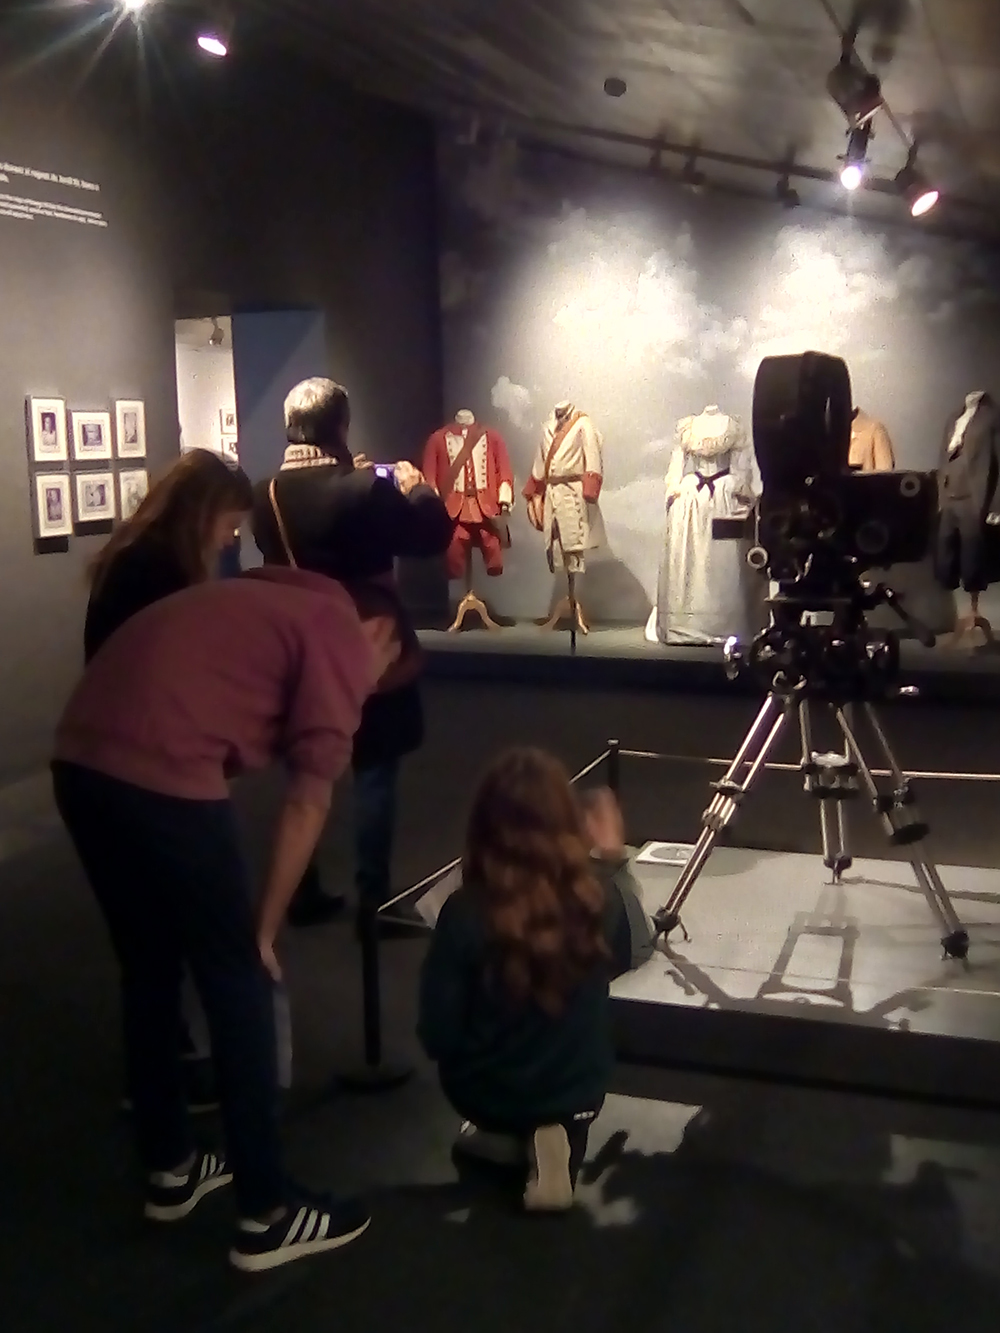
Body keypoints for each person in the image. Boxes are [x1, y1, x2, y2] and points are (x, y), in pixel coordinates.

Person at [53, 567, 401, 1272]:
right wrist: (263, 930)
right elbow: (308, 801)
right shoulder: (338, 630)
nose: (367, 693)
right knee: (240, 976)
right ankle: (267, 1213)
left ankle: (171, 1166)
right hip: (160, 765)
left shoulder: (269, 600)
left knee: (149, 966)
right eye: (384, 675)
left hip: (79, 758)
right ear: (381, 632)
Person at [84, 448, 254, 1112]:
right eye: (230, 522)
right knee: (167, 942)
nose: (231, 538)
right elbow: (175, 673)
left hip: (108, 762)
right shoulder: (161, 571)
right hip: (146, 768)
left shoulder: (132, 559)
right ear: (204, 510)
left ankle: (160, 1081)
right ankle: (167, 1097)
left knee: (147, 944)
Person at [252, 377, 454, 927]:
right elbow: (430, 536)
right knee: (374, 770)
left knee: (306, 769)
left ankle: (302, 890)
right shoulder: (366, 489)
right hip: (367, 647)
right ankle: (374, 902)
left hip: (299, 647)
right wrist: (416, 487)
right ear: (341, 425)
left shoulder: (266, 494)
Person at [418, 749, 650, 1213]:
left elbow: (437, 1034)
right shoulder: (599, 895)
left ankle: (508, 1137)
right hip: (581, 1091)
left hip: (485, 1094)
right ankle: (551, 1132)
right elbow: (637, 951)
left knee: (482, 1066)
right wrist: (613, 859)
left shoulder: (463, 911)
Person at [85, 448, 252, 662]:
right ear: (202, 514)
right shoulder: (156, 566)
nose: (229, 539)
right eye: (230, 525)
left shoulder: (137, 548)